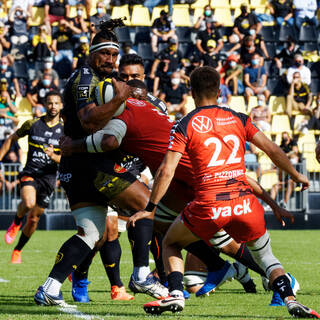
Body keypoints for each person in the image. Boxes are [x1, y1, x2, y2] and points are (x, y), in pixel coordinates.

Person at [61, 78, 300, 306]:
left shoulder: (130, 113)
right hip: (178, 184)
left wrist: (74, 146)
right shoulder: (151, 107)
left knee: (215, 240)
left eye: (134, 77)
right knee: (164, 226)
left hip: (189, 180)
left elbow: (111, 142)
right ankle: (214, 269)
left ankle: (281, 280)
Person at [136, 66, 318, 318]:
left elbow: (166, 170)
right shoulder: (239, 118)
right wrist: (297, 175)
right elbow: (272, 149)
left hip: (209, 204)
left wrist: (149, 208)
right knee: (266, 257)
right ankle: (290, 298)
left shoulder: (185, 124)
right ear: (220, 90)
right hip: (245, 202)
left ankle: (176, 295)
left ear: (191, 92)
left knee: (171, 241)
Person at [34, 19, 168, 307]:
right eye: (105, 53)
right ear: (91, 52)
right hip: (91, 166)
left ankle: (50, 287)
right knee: (149, 207)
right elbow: (89, 119)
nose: (110, 60)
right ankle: (143, 274)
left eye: (114, 55)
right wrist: (120, 97)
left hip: (77, 166)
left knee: (91, 234)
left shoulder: (100, 79)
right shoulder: (85, 78)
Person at [1, 90, 63, 264]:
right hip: (31, 172)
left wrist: (54, 157)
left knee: (34, 219)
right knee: (28, 203)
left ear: (61, 105)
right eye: (50, 103)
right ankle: (16, 222)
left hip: (49, 179)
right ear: (44, 104)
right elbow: (11, 139)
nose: (53, 106)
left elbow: (67, 158)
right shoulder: (32, 124)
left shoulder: (65, 130)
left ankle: (18, 250)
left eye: (56, 103)